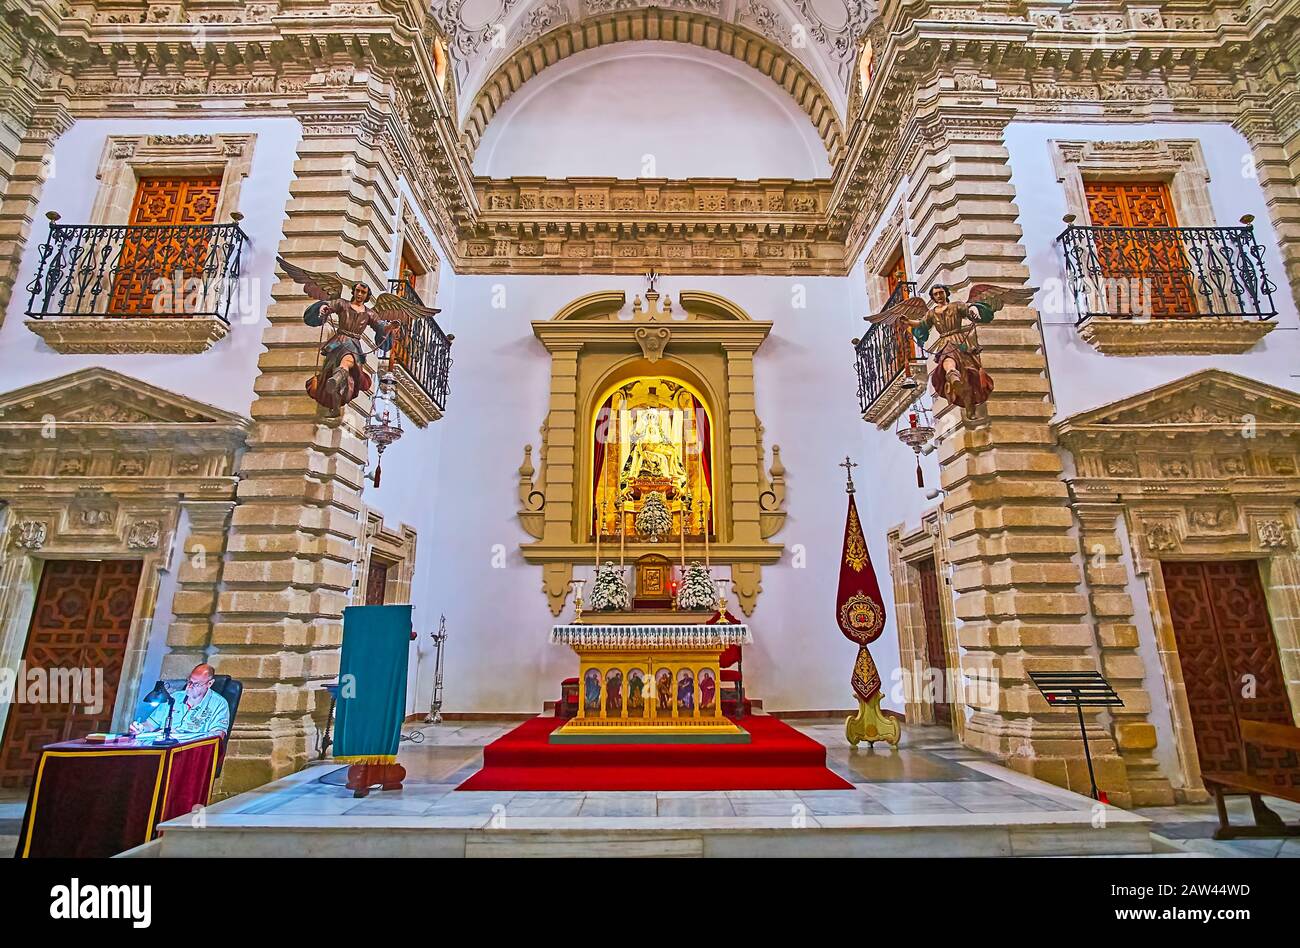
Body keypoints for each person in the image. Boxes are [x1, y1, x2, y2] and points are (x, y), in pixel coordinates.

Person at [130, 663, 230, 740]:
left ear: (209, 683)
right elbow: (151, 724)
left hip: (192, 753)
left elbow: (217, 737)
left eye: (196, 684)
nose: (189, 687)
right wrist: (140, 727)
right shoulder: (175, 697)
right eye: (190, 682)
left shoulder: (219, 704)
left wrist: (181, 735)